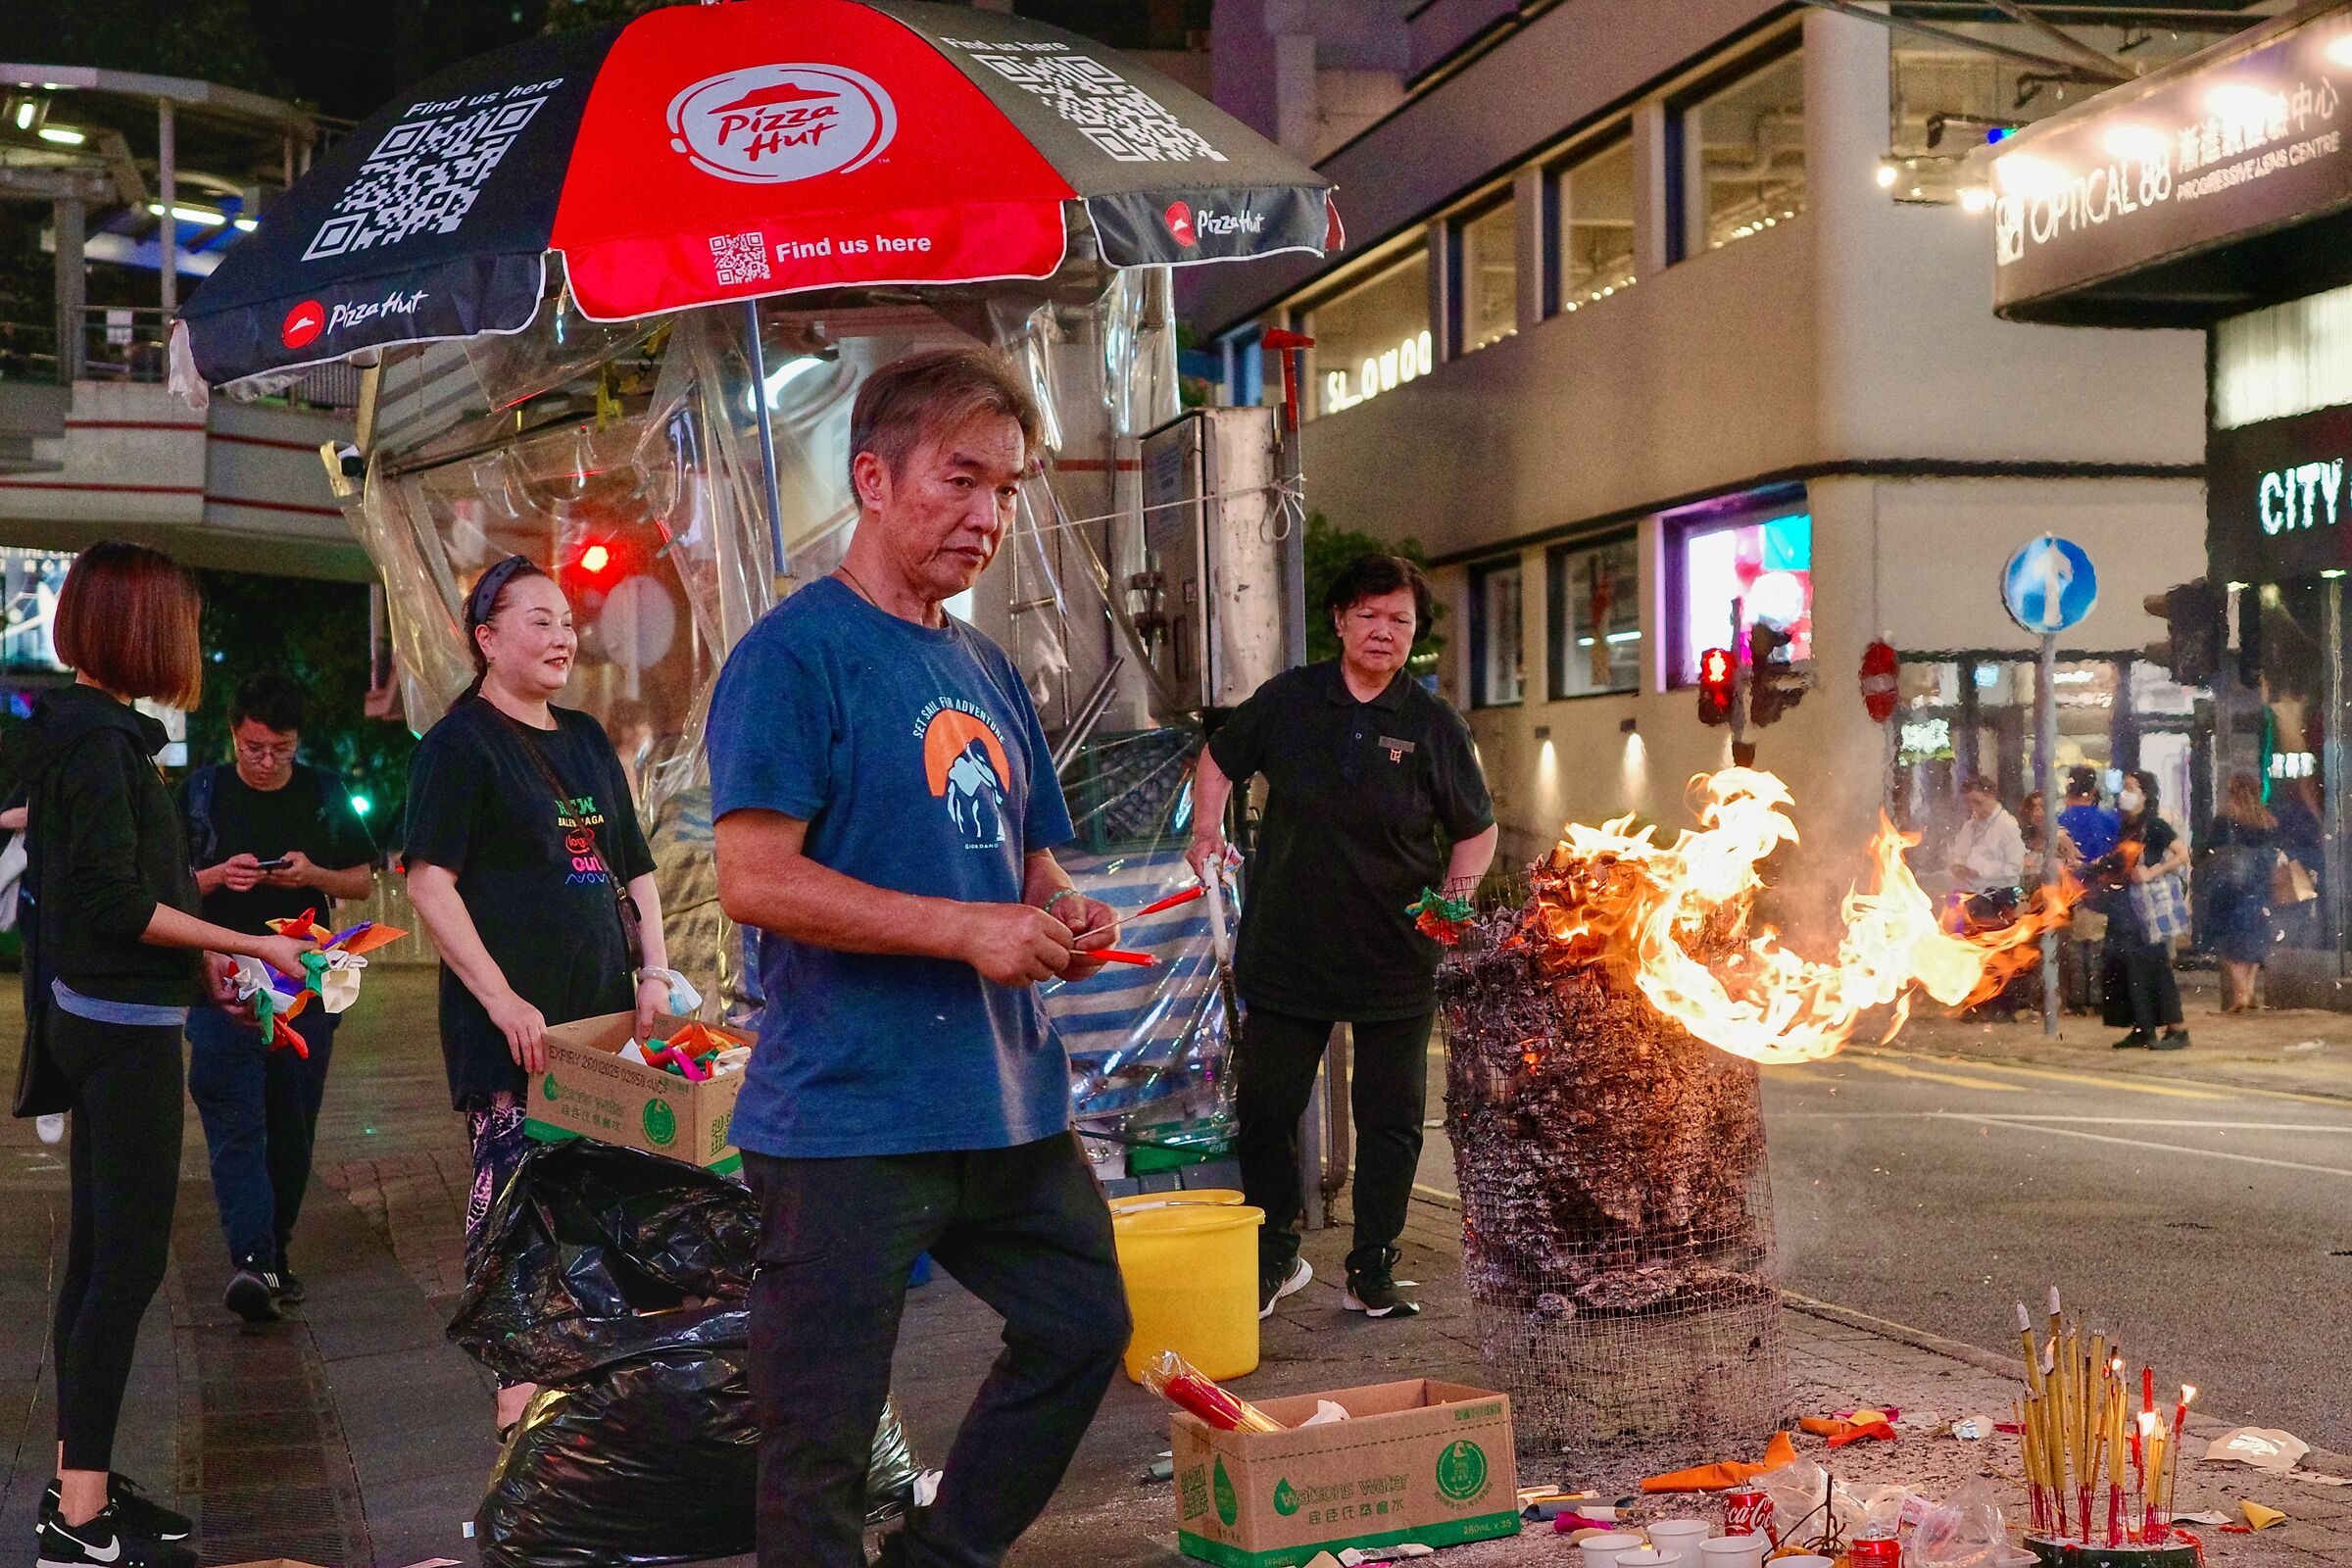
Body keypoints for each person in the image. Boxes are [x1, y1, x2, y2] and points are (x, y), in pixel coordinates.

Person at [708, 347, 1131, 1568]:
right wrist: (969, 930)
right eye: (962, 480)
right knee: (818, 1445)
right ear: (874, 479)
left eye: (1008, 489)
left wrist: (1067, 914)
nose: (990, 516)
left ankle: (942, 1559)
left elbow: (1025, 865)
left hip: (1000, 1103)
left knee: (1081, 1325)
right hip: (845, 1115)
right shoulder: (794, 656)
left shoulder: (985, 668)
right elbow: (756, 877)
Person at [3, 542, 314, 1568]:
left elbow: (144, 885)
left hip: (109, 1017)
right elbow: (118, 905)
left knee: (99, 1253)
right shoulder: (99, 748)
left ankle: (78, 1483)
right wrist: (249, 943)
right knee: (124, 1260)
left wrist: (213, 961)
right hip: (118, 1032)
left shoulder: (102, 739)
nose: (192, 638)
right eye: (181, 620)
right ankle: (78, 1522)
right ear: (140, 629)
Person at [400, 555, 671, 1436]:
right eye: (541, 620)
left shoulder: (587, 737)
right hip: (512, 1032)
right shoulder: (458, 747)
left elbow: (635, 868)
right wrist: (503, 999)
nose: (564, 637)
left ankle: (591, 1376)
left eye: (567, 622)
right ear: (488, 638)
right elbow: (429, 885)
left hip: (602, 1021)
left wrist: (655, 974)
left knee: (595, 1197)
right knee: (516, 1202)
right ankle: (518, 1401)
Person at [1191, 553, 1497, 1321]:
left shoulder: (1433, 726)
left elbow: (1476, 833)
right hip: (1288, 949)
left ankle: (1374, 1262)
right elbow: (1220, 760)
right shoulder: (1291, 702)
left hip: (1394, 960)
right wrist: (1205, 832)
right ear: (1338, 620)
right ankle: (1274, 1254)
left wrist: (1450, 908)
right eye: (1369, 616)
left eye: (1400, 619)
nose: (1384, 632)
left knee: (1389, 1121)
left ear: (1415, 631)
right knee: (1265, 1107)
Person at [181, 671, 377, 1323]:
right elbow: (158, 889)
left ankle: (274, 1253)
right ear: (234, 734)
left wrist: (311, 872)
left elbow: (362, 882)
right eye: (252, 748)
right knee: (235, 1126)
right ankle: (254, 1261)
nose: (265, 763)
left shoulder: (325, 793)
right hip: (220, 983)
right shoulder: (200, 794)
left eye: (280, 750)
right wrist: (212, 877)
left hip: (303, 991)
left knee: (291, 1130)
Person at [2097, 768, 2191, 1051]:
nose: (2124, 794)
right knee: (2125, 967)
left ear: (2145, 794)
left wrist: (2152, 871)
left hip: (2146, 910)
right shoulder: (2126, 826)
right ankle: (2142, 1026)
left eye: (2131, 788)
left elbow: (2182, 853)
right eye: (2124, 788)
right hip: (2125, 907)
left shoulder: (2155, 825)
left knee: (2153, 966)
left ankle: (2175, 1030)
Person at [2202, 771, 2278, 1013]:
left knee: (2231, 943)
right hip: (2259, 887)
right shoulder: (2266, 819)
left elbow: (2206, 849)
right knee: (2255, 939)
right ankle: (2250, 990)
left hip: (2231, 887)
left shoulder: (2225, 819)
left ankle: (2241, 994)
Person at [1944, 774, 2024, 919]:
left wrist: (1979, 872)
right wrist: (1958, 865)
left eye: (1977, 802)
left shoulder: (2007, 825)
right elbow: (1960, 853)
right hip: (1970, 890)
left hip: (1999, 893)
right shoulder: (1970, 825)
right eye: (1969, 803)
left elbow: (2014, 867)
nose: (1974, 807)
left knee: (1976, 913)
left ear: (1991, 795)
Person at [2058, 764, 2120, 863]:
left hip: (2068, 876)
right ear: (2093, 791)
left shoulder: (2058, 823)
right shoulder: (2111, 820)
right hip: (2104, 874)